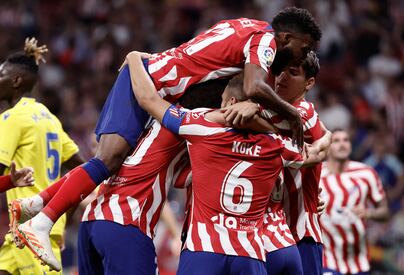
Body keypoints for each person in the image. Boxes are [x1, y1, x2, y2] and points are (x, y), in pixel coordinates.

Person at [14, 6, 322, 269]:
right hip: (144, 93)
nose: (305, 53)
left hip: (96, 219)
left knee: (110, 161)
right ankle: (42, 220)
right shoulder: (261, 43)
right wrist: (289, 116)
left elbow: (201, 57)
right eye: (304, 47)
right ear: (285, 38)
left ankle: (37, 202)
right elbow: (253, 87)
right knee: (108, 159)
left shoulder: (242, 27)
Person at [127, 51, 328, 274]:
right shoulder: (278, 143)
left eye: (222, 100)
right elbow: (315, 154)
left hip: (205, 249)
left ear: (231, 102)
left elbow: (148, 99)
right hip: (257, 251)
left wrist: (134, 58)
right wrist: (327, 137)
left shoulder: (202, 127)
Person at [223, 51, 329, 274]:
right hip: (267, 234)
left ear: (309, 83)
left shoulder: (302, 113)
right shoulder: (274, 110)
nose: (282, 78)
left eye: (292, 73)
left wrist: (251, 106)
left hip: (300, 233)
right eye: (279, 71)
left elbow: (241, 117)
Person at [0, 38, 84, 275]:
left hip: (32, 234)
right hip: (27, 230)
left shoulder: (11, 119)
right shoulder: (50, 119)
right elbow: (83, 171)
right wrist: (63, 216)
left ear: (15, 81)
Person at [319, 129, 390, 275]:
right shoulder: (317, 174)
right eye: (336, 141)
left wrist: (368, 213)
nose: (342, 144)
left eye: (346, 140)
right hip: (328, 259)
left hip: (359, 260)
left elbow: (385, 212)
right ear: (328, 146)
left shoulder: (366, 173)